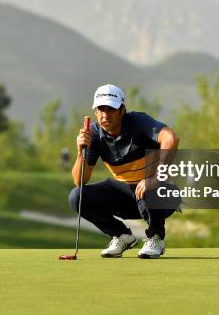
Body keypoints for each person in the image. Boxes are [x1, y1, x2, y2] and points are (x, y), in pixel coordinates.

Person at [69, 84, 180, 258]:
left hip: (160, 192)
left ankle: (156, 238)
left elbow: (171, 138)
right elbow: (79, 180)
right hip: (127, 194)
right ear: (95, 112)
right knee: (77, 196)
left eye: (111, 109)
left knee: (147, 188)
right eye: (101, 109)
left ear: (122, 110)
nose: (105, 115)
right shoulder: (94, 135)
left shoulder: (138, 122)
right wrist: (80, 152)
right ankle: (122, 236)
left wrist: (157, 178)